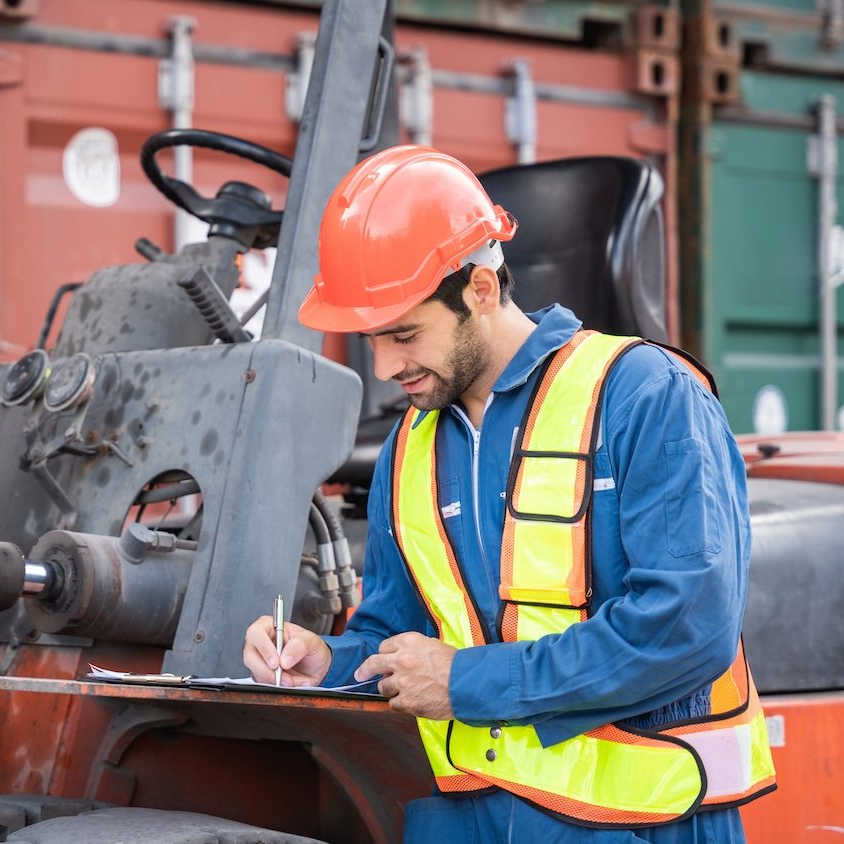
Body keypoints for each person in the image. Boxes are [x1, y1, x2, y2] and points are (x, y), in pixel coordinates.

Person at [242, 146, 776, 842]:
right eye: (372, 341)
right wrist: (326, 662)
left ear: (482, 290)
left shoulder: (646, 395)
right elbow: (395, 638)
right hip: (467, 822)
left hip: (640, 824)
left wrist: (467, 683)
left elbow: (686, 628)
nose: (387, 367)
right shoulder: (412, 448)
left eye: (404, 334)